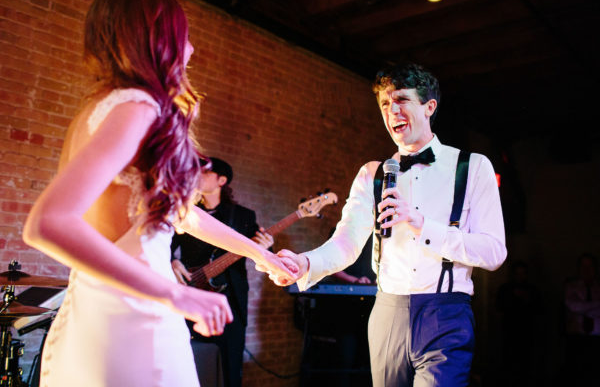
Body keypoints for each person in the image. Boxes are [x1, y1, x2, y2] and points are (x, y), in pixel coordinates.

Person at [21, 0, 296, 386]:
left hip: (101, 308)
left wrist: (260, 254)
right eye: (183, 35)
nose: (192, 48)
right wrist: (176, 294)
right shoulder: (137, 107)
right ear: (158, 38)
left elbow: (182, 216)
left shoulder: (99, 108)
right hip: (134, 318)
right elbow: (48, 223)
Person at [269, 63, 507, 386]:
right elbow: (346, 242)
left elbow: (493, 252)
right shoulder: (372, 174)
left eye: (402, 100)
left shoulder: (473, 167)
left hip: (445, 314)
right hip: (387, 312)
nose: (391, 110)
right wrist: (305, 263)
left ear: (429, 107)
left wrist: (421, 224)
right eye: (384, 103)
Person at [171, 157, 273, 387]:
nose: (197, 175)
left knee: (229, 368)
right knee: (189, 362)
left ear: (221, 180)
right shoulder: (186, 212)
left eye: (205, 172)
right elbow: (165, 244)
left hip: (229, 301)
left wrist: (267, 248)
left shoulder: (243, 216)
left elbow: (263, 255)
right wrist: (173, 262)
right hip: (191, 293)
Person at [563, 253, 600, 386]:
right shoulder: (571, 286)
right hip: (576, 338)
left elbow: (579, 307)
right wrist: (596, 305)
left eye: (590, 266)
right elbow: (573, 306)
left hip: (596, 339)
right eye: (583, 266)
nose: (586, 270)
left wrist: (583, 307)